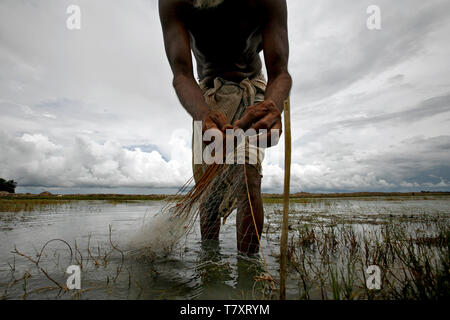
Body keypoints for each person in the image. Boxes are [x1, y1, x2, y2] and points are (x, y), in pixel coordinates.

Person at [159, 0, 292, 254]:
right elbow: (182, 75)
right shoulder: (172, 2)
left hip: (252, 92)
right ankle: (210, 270)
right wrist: (203, 115)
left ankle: (249, 278)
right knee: (209, 192)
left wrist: (273, 105)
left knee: (247, 173)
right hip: (207, 97)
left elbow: (280, 73)